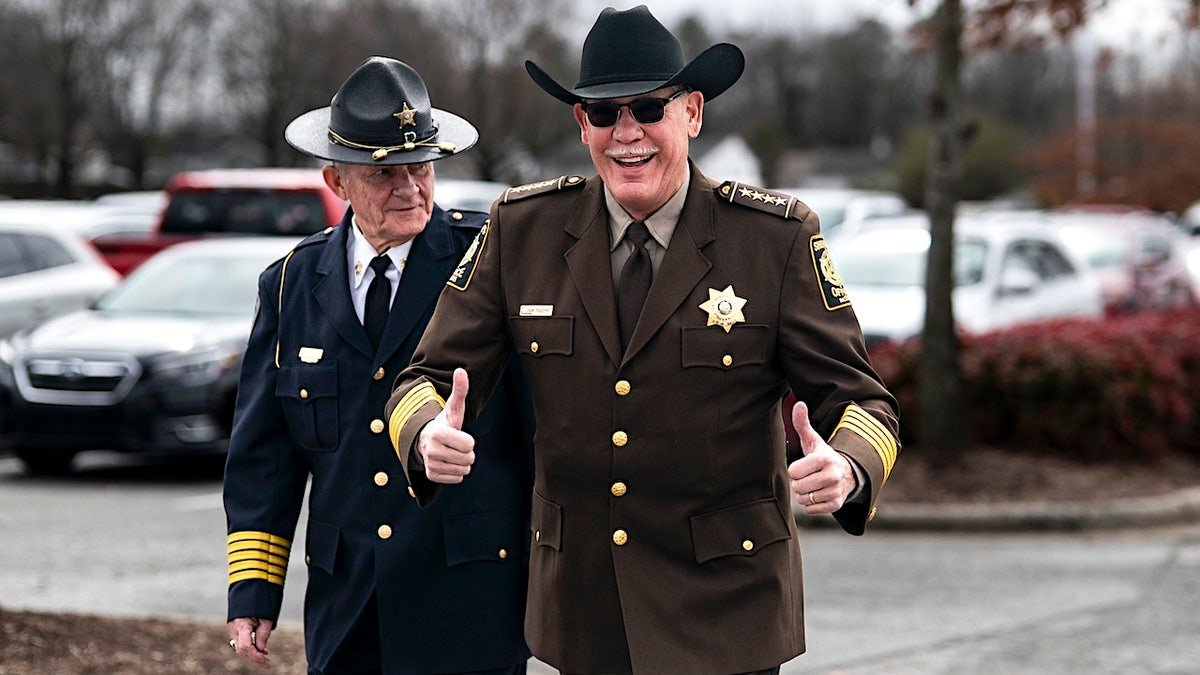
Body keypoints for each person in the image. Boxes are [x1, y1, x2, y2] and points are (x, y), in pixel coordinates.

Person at [386, 6, 900, 674]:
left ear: (692, 112)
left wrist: (848, 466)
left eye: (648, 109)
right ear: (581, 125)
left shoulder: (774, 239)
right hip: (583, 611)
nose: (626, 134)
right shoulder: (523, 229)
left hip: (726, 611)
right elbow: (421, 379)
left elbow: (865, 403)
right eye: (603, 114)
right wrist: (426, 434)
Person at [223, 56, 534, 674]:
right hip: (347, 610)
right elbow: (266, 461)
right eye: (385, 173)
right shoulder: (289, 285)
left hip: (468, 606)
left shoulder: (492, 268)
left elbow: (542, 432)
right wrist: (254, 593)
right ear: (337, 180)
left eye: (421, 166)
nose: (410, 188)